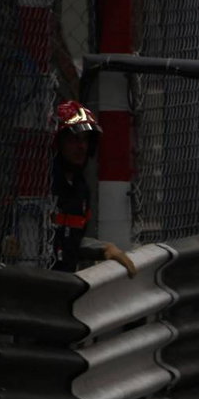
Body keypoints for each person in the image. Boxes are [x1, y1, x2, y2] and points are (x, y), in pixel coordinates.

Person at [50, 100, 136, 277]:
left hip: (64, 281)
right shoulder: (44, 184)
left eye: (85, 140)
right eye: (74, 140)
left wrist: (103, 249)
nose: (81, 147)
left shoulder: (81, 190)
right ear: (59, 143)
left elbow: (73, 241)